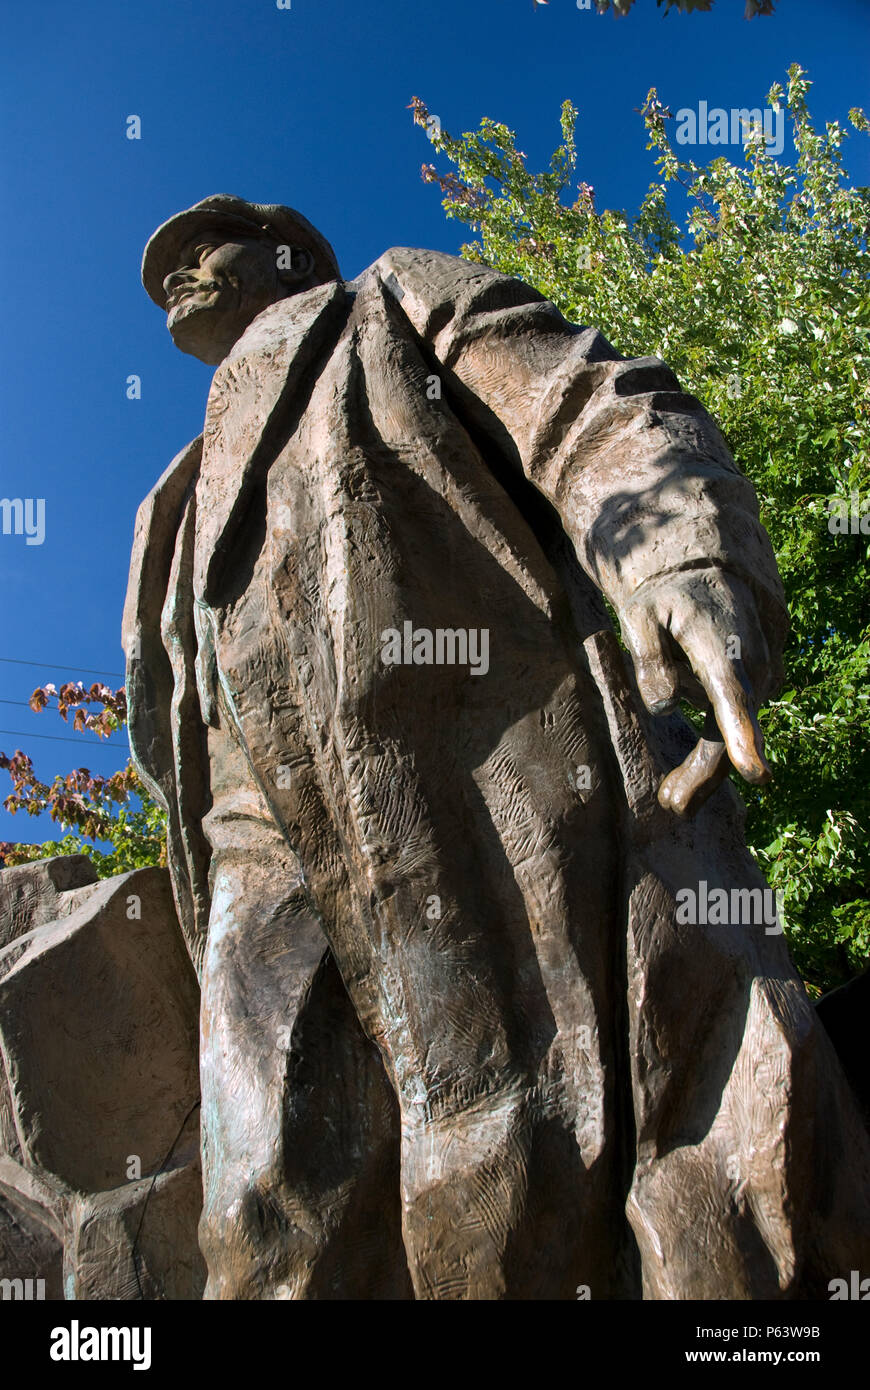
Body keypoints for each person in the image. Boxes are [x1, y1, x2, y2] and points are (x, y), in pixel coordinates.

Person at [123, 195, 870, 1299]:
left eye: (204, 247)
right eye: (165, 266)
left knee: (525, 1158)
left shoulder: (384, 303)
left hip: (467, 763)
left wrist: (681, 559)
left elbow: (582, 401)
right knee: (267, 1204)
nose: (180, 274)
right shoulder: (167, 506)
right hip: (259, 844)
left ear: (289, 252)